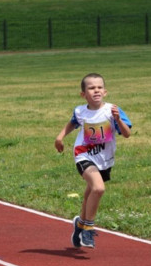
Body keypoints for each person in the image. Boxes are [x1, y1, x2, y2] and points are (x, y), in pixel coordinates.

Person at [55, 73, 132, 248]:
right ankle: (88, 229)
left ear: (105, 91)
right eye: (91, 88)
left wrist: (118, 119)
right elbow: (72, 123)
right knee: (98, 188)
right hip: (83, 154)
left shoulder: (113, 110)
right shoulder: (80, 111)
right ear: (83, 94)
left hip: (104, 159)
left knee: (90, 192)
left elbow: (127, 134)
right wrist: (59, 138)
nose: (96, 90)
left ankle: (80, 224)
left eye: (99, 87)